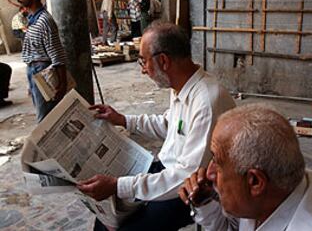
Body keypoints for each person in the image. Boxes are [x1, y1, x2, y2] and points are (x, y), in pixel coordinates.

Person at [77, 22, 236, 231]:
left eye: (143, 61)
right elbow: (169, 124)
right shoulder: (181, 86)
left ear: (163, 61)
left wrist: (118, 185)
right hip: (166, 169)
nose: (143, 71)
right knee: (106, 218)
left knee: (126, 226)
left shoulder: (206, 101)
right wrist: (122, 119)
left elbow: (187, 176)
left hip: (186, 190)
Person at [179, 104, 312, 231]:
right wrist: (205, 203)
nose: (209, 172)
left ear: (255, 182)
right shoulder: (277, 188)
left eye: (218, 164)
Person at [14, 0, 67, 122]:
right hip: (33, 70)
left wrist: (62, 84)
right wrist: (30, 82)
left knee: (45, 120)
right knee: (43, 114)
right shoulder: (31, 19)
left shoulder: (45, 21)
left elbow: (57, 55)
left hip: (43, 70)